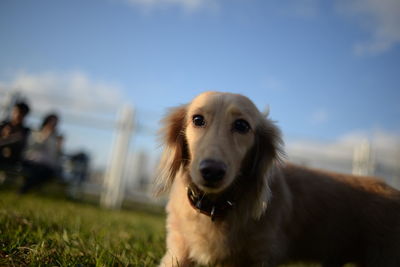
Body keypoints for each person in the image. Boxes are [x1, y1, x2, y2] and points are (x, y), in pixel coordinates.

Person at [20, 113, 63, 193]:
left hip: (46, 165)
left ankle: (26, 188)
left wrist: (59, 146)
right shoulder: (35, 132)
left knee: (49, 172)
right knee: (40, 171)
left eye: (55, 124)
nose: (53, 125)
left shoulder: (54, 138)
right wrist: (45, 136)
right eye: (51, 122)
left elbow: (55, 155)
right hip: (31, 160)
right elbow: (33, 146)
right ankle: (25, 189)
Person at [0, 102, 31, 170]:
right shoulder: (3, 125)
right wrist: (5, 137)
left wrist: (8, 138)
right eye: (16, 112)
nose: (17, 115)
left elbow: (23, 148)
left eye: (21, 113)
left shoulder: (25, 131)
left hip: (14, 160)